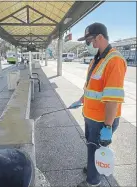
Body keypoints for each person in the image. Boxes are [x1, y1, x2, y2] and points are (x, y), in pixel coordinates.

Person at [69, 23, 127, 187]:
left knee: (95, 148)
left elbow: (112, 98)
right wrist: (81, 100)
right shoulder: (97, 59)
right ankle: (92, 166)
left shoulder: (114, 61)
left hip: (102, 120)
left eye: (89, 40)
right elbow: (91, 87)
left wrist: (107, 127)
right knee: (91, 146)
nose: (88, 45)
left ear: (100, 37)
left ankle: (93, 182)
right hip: (91, 115)